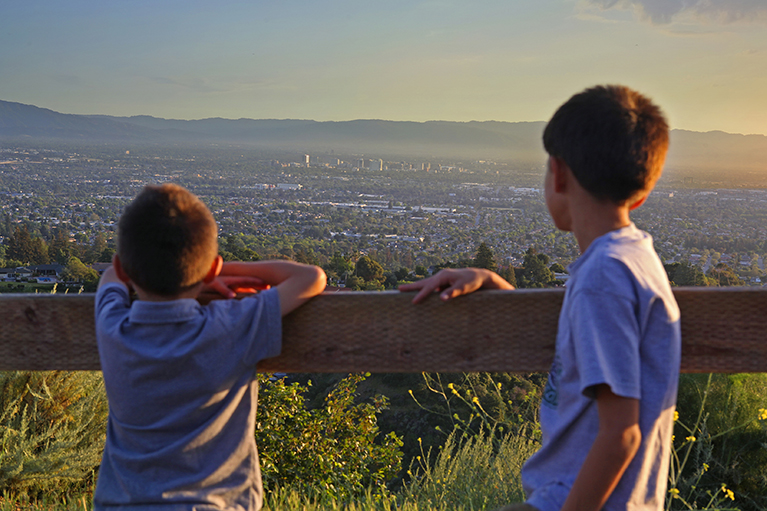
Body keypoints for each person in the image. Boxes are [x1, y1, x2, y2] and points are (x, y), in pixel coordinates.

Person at [400, 85, 680, 511]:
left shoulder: (602, 277)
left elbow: (622, 433)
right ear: (641, 194)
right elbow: (583, 343)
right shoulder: (634, 260)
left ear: (560, 173)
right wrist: (495, 283)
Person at [94, 183, 326, 510]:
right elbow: (311, 278)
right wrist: (211, 272)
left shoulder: (113, 327)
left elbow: (109, 280)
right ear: (212, 267)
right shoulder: (230, 326)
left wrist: (200, 272)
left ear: (123, 267)